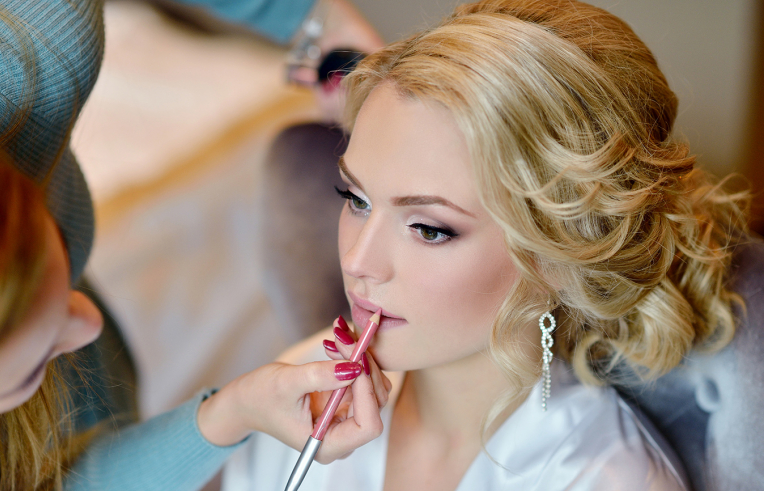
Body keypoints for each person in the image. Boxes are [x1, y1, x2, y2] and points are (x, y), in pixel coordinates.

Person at [224, 0, 750, 489]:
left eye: (429, 228)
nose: (358, 261)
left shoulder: (600, 478)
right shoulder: (297, 394)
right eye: (356, 199)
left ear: (563, 254)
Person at [0, 116, 392, 490]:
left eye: (58, 248)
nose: (92, 324)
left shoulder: (13, 79)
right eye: (29, 368)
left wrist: (310, 20)